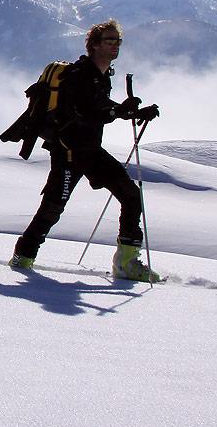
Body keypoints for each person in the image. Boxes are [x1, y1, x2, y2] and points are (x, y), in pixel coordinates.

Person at [9, 18, 161, 282]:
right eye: (109, 40)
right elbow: (81, 112)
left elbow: (99, 106)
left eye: (118, 40)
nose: (115, 45)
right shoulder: (79, 75)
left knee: (130, 195)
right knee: (53, 207)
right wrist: (117, 111)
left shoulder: (100, 75)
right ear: (94, 45)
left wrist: (130, 112)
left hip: (89, 151)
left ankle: (126, 262)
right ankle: (23, 255)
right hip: (68, 152)